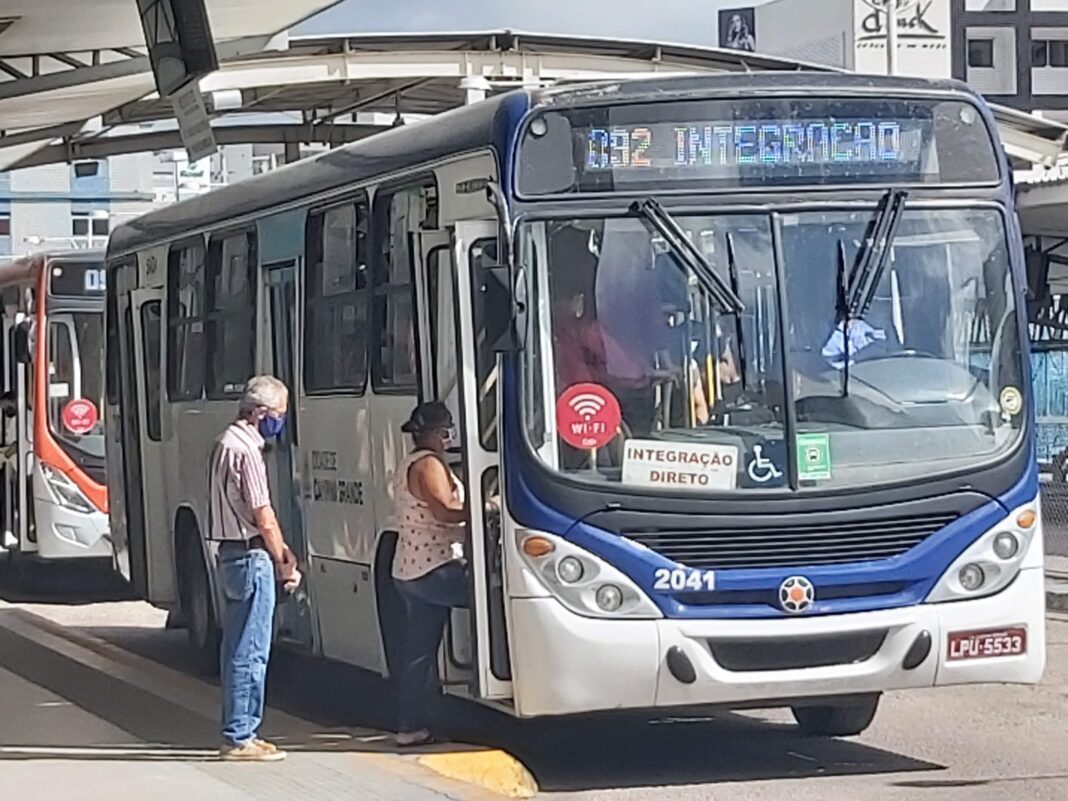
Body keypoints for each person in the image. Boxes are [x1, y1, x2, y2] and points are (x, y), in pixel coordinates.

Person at [208, 375, 300, 762]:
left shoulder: (223, 442)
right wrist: (283, 561)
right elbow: (263, 515)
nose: (281, 421)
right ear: (261, 413)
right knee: (251, 649)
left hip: (230, 552)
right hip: (250, 556)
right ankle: (241, 735)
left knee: (236, 647)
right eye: (279, 414)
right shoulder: (248, 452)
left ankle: (241, 729)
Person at [392, 401, 473, 746]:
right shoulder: (428, 464)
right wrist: (488, 506)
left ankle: (409, 726)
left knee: (419, 651)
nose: (450, 434)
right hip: (435, 567)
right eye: (447, 428)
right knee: (496, 600)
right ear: (438, 431)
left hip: (411, 569)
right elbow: (445, 511)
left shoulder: (411, 462)